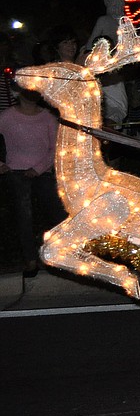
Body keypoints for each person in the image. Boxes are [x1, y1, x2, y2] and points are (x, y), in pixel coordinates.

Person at [0, 86, 65, 277]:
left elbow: (54, 149)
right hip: (15, 172)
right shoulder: (7, 117)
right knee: (23, 211)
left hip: (42, 172)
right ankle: (30, 260)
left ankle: (58, 256)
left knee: (56, 211)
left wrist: (38, 169)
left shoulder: (48, 118)